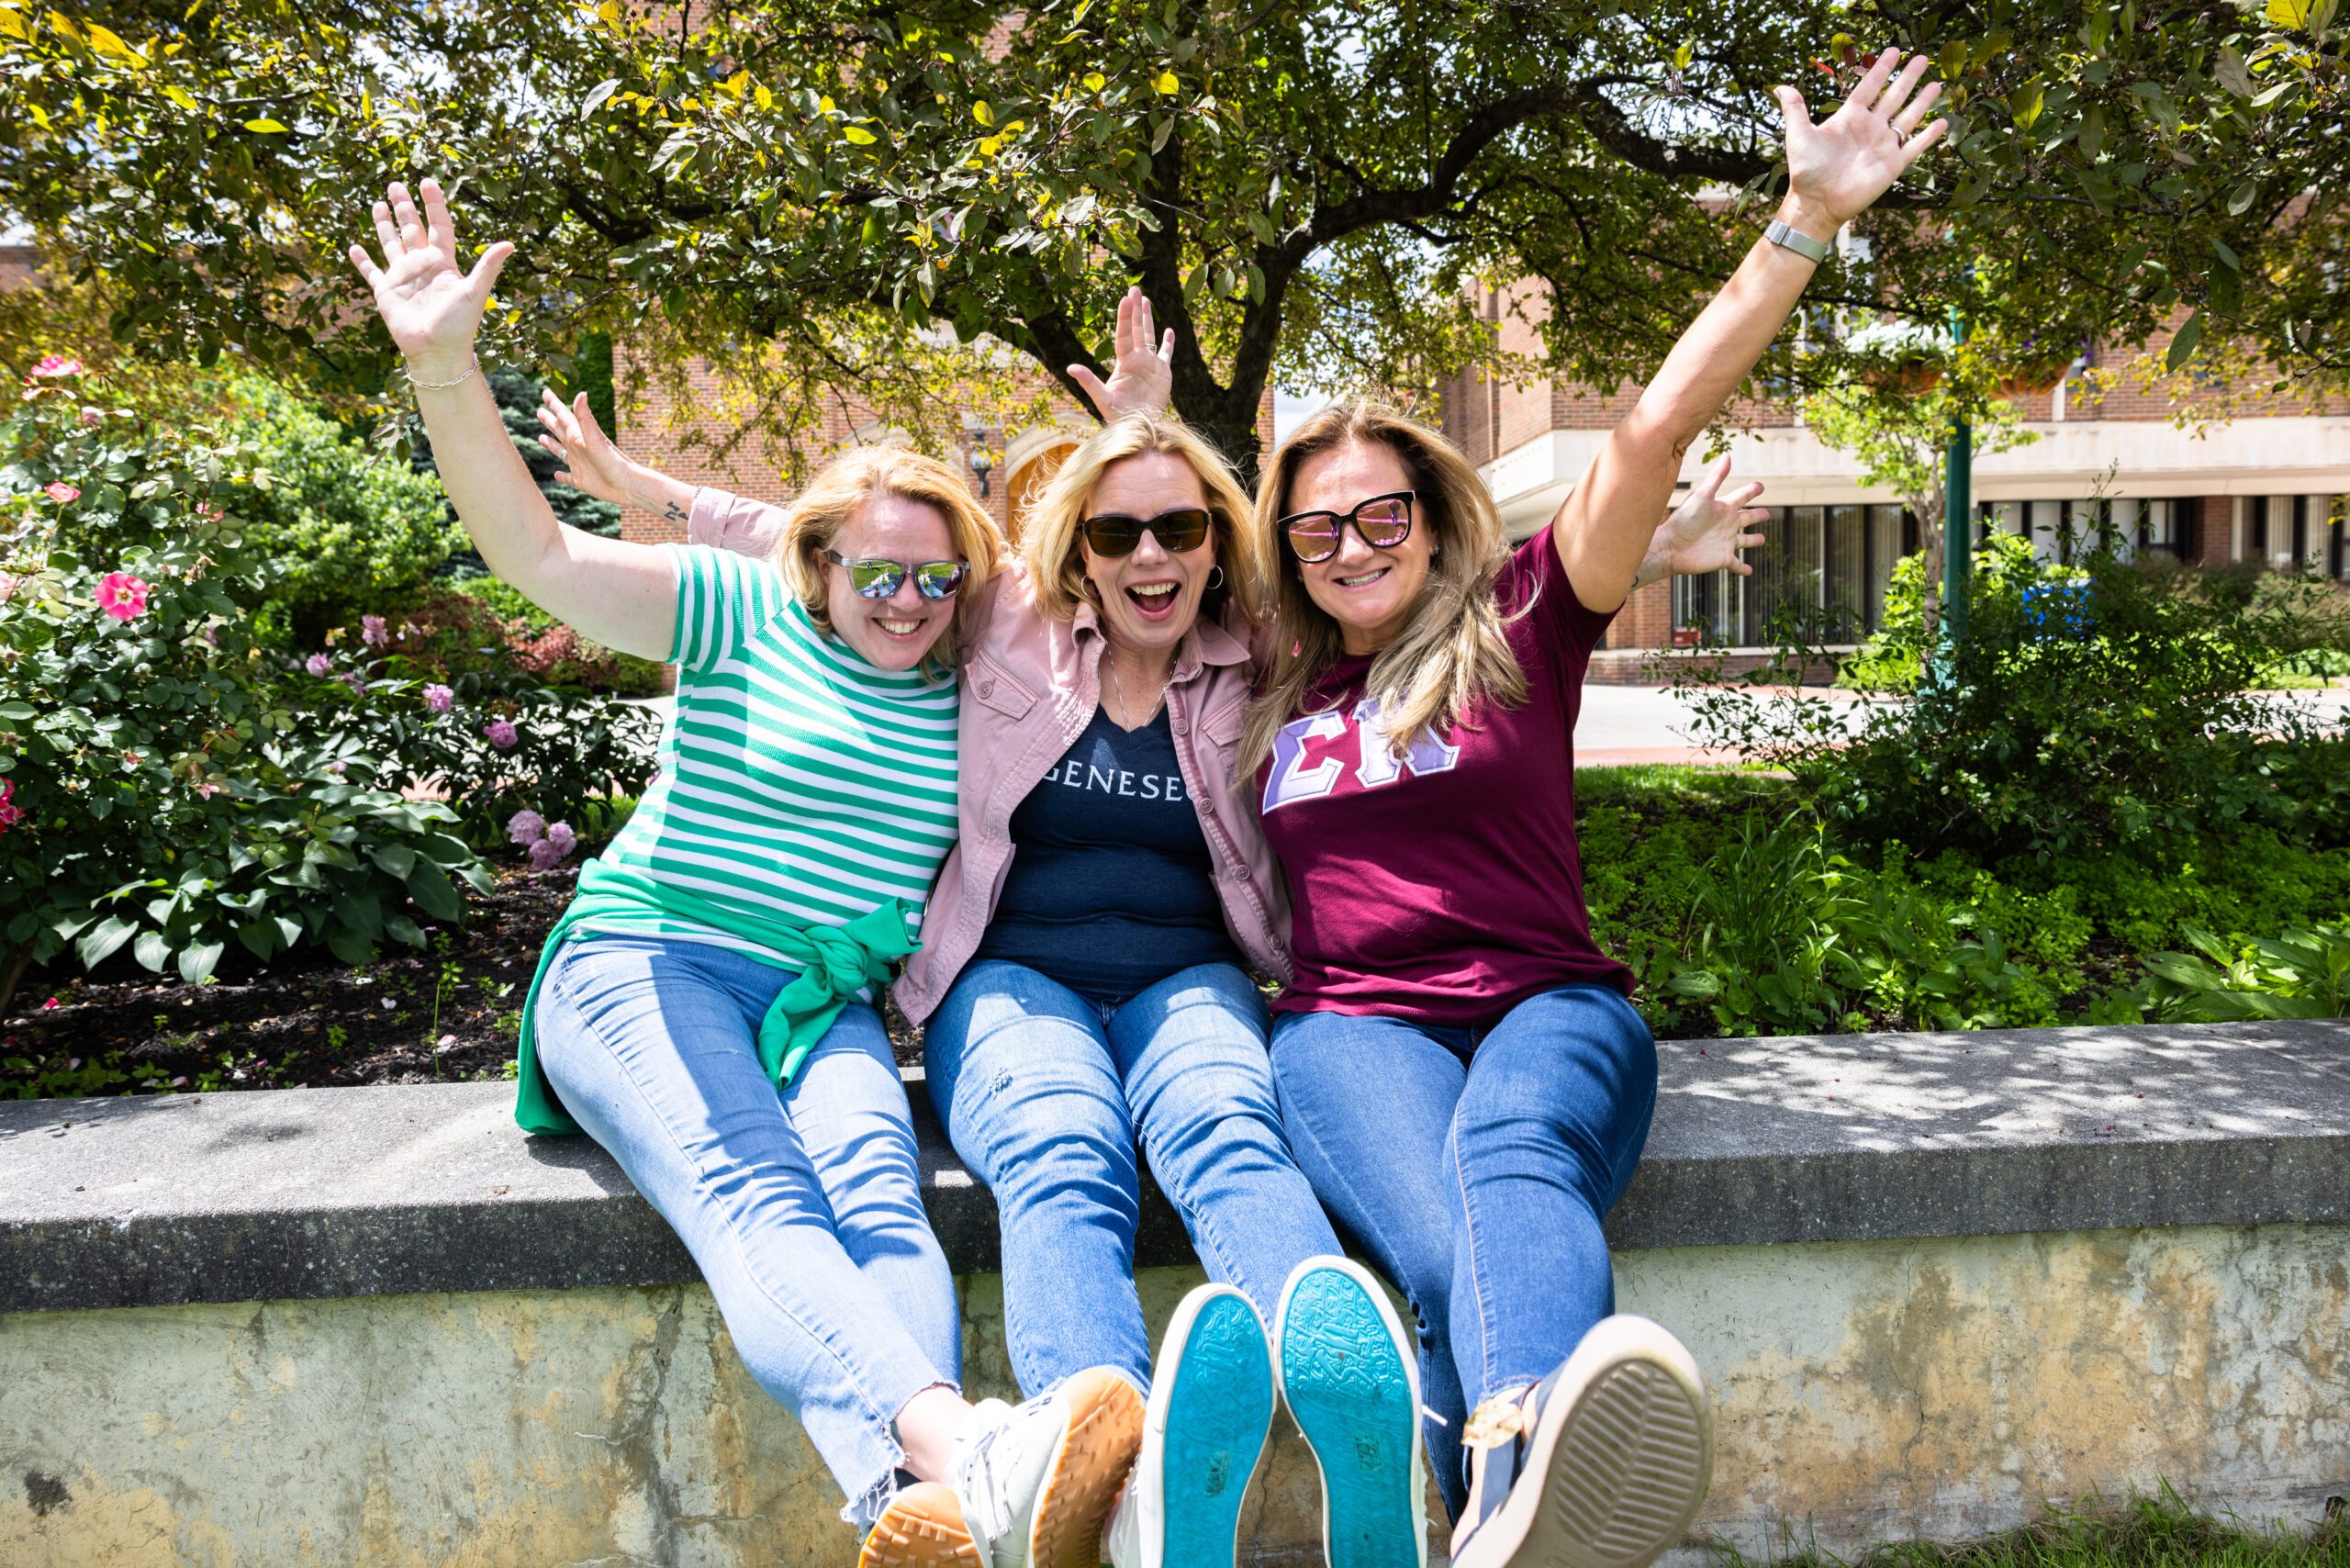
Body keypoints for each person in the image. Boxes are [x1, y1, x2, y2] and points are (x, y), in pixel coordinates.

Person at [542, 295, 1764, 1568]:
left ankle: (1359, 1406)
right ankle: (1104, 1470)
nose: (1150, 554)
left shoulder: (1261, 651)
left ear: (1220, 546)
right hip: (1010, 983)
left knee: (1233, 1134)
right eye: (1118, 530)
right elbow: (847, 548)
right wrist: (649, 489)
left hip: (1192, 977)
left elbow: (1417, 574)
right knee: (1061, 1150)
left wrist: (1652, 551)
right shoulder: (1008, 622)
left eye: (1181, 527)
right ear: (1075, 550)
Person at [349, 176, 1145, 1568]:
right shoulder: (732, 611)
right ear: (820, 567)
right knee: (758, 1198)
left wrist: (1135, 429)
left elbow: (1115, 562)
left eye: (935, 580)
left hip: (826, 999)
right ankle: (972, 1450)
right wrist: (443, 365)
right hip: (648, 963)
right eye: (878, 576)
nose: (907, 602)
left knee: (877, 1195)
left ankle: (924, 1517)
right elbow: (529, 550)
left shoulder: (970, 675)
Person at [1237, 51, 1949, 1568]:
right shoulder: (1271, 695)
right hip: (1350, 1025)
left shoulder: (1521, 621)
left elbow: (1646, 429)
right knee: (1437, 1249)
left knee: (1510, 1161)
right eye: (1317, 527)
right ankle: (1517, 1530)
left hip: (1551, 1003)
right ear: (1288, 552)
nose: (1353, 543)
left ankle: (1500, 1499)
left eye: (1382, 513)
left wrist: (1800, 225)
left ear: (1432, 519)